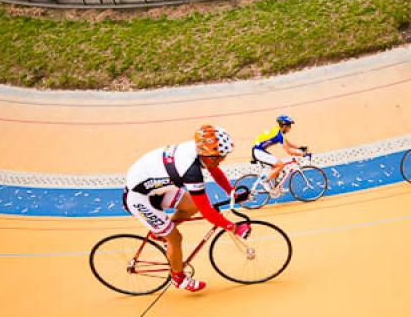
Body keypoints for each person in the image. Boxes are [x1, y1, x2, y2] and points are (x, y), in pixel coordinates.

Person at [123, 125, 250, 292]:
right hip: (140, 198)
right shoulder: (191, 171)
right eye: (221, 157)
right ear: (209, 155)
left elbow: (214, 169)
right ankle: (178, 278)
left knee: (190, 205)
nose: (222, 160)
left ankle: (159, 232)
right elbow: (207, 212)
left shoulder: (199, 149)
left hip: (154, 188)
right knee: (175, 238)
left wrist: (230, 191)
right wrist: (233, 227)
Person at [251, 115, 307, 187]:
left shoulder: (278, 131)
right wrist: (303, 154)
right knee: (280, 165)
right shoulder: (279, 135)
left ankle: (275, 188)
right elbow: (288, 151)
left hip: (259, 150)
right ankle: (264, 181)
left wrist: (299, 148)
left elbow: (287, 143)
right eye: (289, 126)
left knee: (278, 168)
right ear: (284, 126)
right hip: (258, 151)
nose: (290, 128)